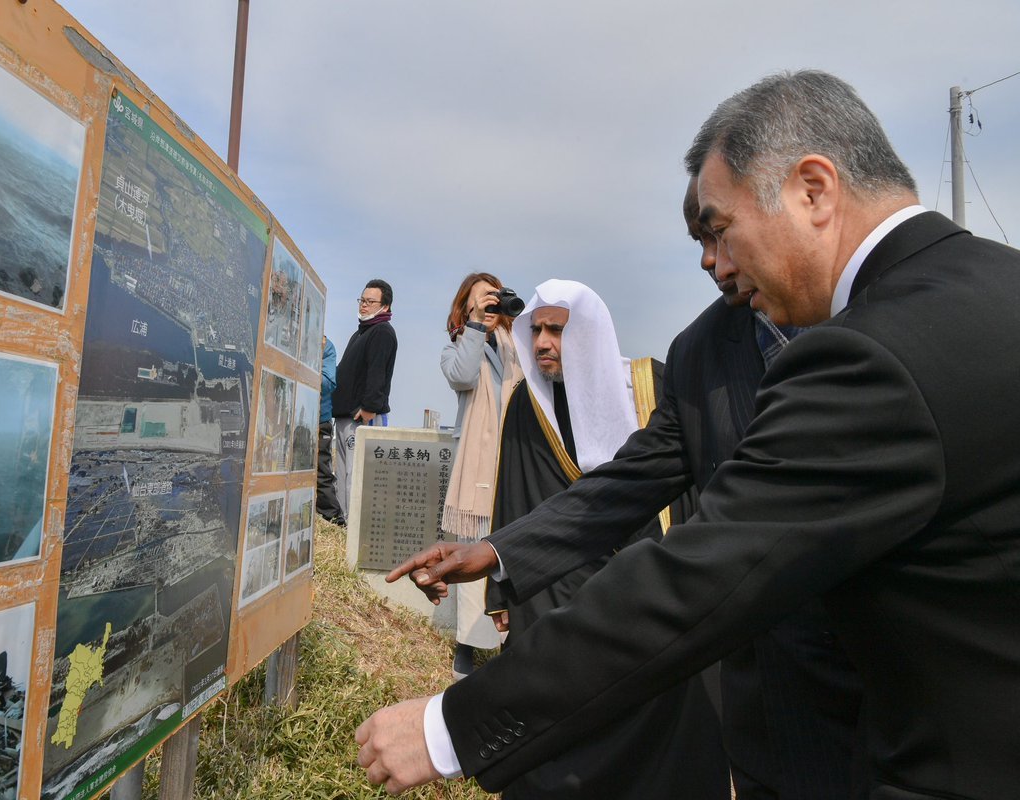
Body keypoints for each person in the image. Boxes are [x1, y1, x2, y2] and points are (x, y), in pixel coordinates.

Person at [356, 70, 1020, 800]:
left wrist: (449, 727)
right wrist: (498, 550)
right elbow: (631, 479)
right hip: (783, 726)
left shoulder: (873, 352)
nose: (714, 262)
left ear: (813, 190)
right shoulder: (987, 290)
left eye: (720, 229)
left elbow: (703, 571)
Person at [483, 279, 728, 799]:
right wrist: (500, 592)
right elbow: (514, 495)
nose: (542, 342)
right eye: (536, 330)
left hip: (648, 577)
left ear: (589, 333)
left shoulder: (650, 385)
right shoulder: (527, 404)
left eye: (556, 330)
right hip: (557, 581)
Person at [439, 273, 522, 679]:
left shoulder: (516, 345)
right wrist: (475, 326)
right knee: (476, 548)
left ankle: (513, 636)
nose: (490, 306)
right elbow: (463, 376)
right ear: (466, 306)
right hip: (479, 466)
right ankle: (467, 643)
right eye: (481, 299)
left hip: (515, 456)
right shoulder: (455, 347)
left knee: (514, 545)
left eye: (494, 298)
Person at [332, 279, 397, 519]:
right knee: (342, 474)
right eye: (362, 300)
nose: (364, 305)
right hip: (344, 415)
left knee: (356, 474)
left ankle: (354, 526)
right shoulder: (360, 332)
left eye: (370, 301)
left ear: (385, 306)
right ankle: (343, 524)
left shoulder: (382, 332)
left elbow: (377, 373)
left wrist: (369, 407)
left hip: (361, 417)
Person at [316, 335, 344, 525]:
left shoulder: (326, 346)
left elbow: (328, 383)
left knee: (321, 472)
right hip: (287, 419)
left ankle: (334, 519)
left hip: (319, 420)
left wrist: (310, 359)